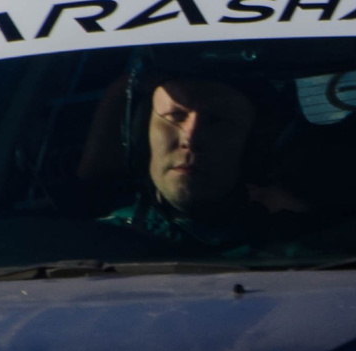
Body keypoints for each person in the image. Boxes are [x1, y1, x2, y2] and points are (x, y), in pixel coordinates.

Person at [99, 72, 309, 255]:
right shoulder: (93, 243)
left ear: (253, 147)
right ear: (140, 135)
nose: (191, 138)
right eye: (175, 116)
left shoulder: (303, 253)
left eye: (217, 121)